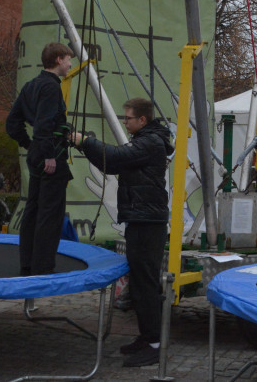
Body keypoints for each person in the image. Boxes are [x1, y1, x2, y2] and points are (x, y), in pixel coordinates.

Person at [71, 97, 173, 368]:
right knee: (139, 283)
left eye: (127, 118)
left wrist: (84, 140)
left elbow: (116, 157)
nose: (124, 121)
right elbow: (112, 165)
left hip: (148, 221)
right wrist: (83, 145)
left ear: (142, 120)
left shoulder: (149, 143)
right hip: (140, 218)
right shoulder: (145, 141)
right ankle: (147, 336)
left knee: (147, 283)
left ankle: (155, 343)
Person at [6, 42, 74, 277]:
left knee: (32, 210)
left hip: (37, 154)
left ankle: (27, 264)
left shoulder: (30, 86)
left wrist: (30, 146)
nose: (70, 64)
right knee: (49, 213)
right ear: (58, 60)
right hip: (50, 155)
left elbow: (12, 124)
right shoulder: (51, 87)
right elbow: (45, 123)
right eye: (67, 59)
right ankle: (43, 267)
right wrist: (47, 154)